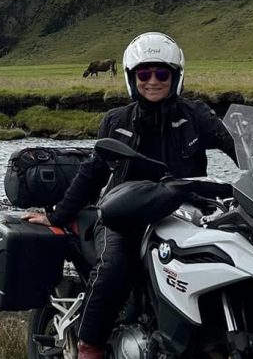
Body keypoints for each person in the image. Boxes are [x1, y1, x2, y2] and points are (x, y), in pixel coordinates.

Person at [23, 31, 238, 359]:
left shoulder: (196, 115)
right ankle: (90, 346)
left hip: (189, 211)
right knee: (114, 268)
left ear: (176, 77)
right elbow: (93, 172)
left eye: (162, 73)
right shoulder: (118, 121)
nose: (153, 81)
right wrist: (57, 216)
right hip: (124, 214)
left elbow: (235, 145)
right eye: (144, 74)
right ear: (132, 78)